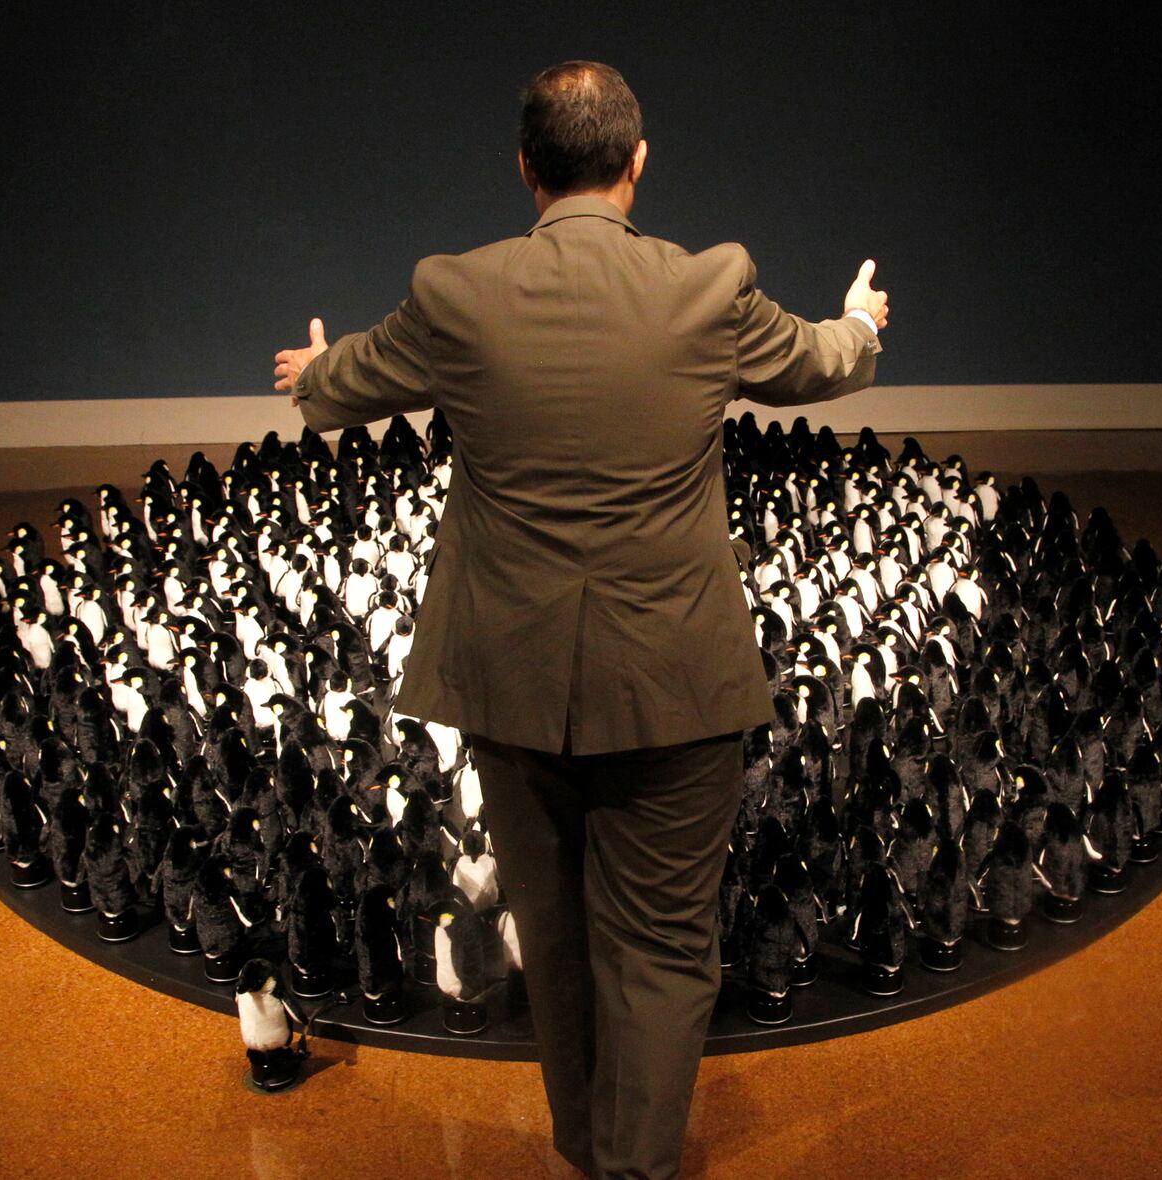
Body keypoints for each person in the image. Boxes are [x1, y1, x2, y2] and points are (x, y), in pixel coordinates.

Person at [273, 60, 889, 1180]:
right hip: (677, 685)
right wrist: (860, 325)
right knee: (658, 953)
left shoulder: (455, 293)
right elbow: (819, 362)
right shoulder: (711, 287)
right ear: (637, 166)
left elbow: (346, 381)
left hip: (513, 689)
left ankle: (580, 1144)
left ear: (524, 167)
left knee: (553, 947)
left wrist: (315, 372)